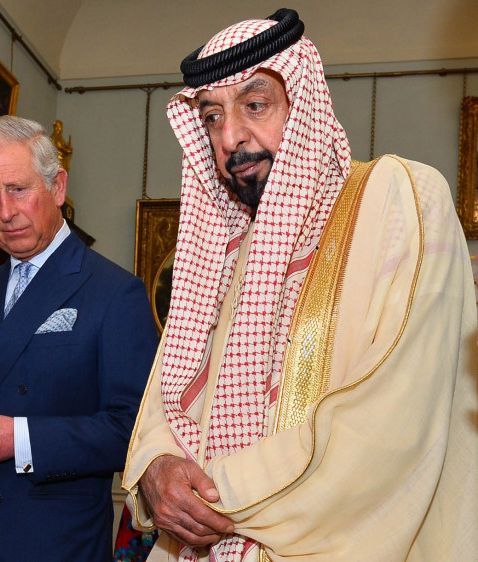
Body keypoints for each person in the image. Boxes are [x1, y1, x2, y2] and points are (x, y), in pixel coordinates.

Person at [122, 8, 477, 562]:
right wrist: (156, 469)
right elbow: (167, 394)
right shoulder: (221, 246)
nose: (230, 137)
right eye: (211, 117)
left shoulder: (397, 196)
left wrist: (211, 492)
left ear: (303, 101)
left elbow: (394, 422)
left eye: (255, 104)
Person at [0, 115, 159, 561]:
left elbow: (134, 432)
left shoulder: (113, 291)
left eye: (18, 190)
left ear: (58, 188)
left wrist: (16, 439)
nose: (5, 212)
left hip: (49, 544)